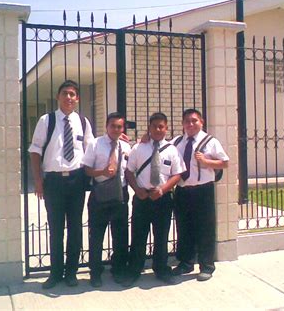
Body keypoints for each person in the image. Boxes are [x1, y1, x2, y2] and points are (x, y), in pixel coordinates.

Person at [29, 80, 94, 289]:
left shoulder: (83, 122)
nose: (69, 97)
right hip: (54, 182)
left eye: (72, 94)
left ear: (77, 99)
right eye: (65, 93)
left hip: (76, 181)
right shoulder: (46, 120)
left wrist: (118, 142)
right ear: (58, 97)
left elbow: (92, 149)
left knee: (75, 228)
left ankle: (71, 273)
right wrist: (38, 181)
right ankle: (55, 273)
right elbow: (35, 151)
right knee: (56, 229)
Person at [124, 112, 186, 286]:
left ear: (166, 128)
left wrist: (164, 189)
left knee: (161, 237)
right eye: (154, 126)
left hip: (163, 199)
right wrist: (137, 190)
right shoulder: (139, 148)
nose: (158, 129)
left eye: (161, 126)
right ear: (149, 128)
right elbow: (129, 171)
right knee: (138, 236)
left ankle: (161, 269)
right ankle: (134, 270)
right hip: (142, 197)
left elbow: (177, 174)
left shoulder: (172, 150)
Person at [171, 108, 229, 281]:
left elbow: (225, 163)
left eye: (194, 120)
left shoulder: (211, 141)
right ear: (182, 124)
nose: (190, 124)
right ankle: (186, 263)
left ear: (201, 122)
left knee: (205, 228)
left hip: (203, 190)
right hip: (182, 191)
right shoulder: (177, 141)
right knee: (184, 227)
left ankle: (207, 266)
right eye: (187, 121)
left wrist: (206, 161)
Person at [82, 112, 131, 288]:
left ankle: (118, 269)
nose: (116, 129)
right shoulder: (95, 144)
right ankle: (95, 272)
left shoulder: (126, 146)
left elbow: (131, 169)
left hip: (121, 194)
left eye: (119, 126)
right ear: (107, 126)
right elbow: (86, 169)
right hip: (100, 194)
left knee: (120, 235)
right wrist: (101, 172)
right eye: (113, 126)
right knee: (96, 236)